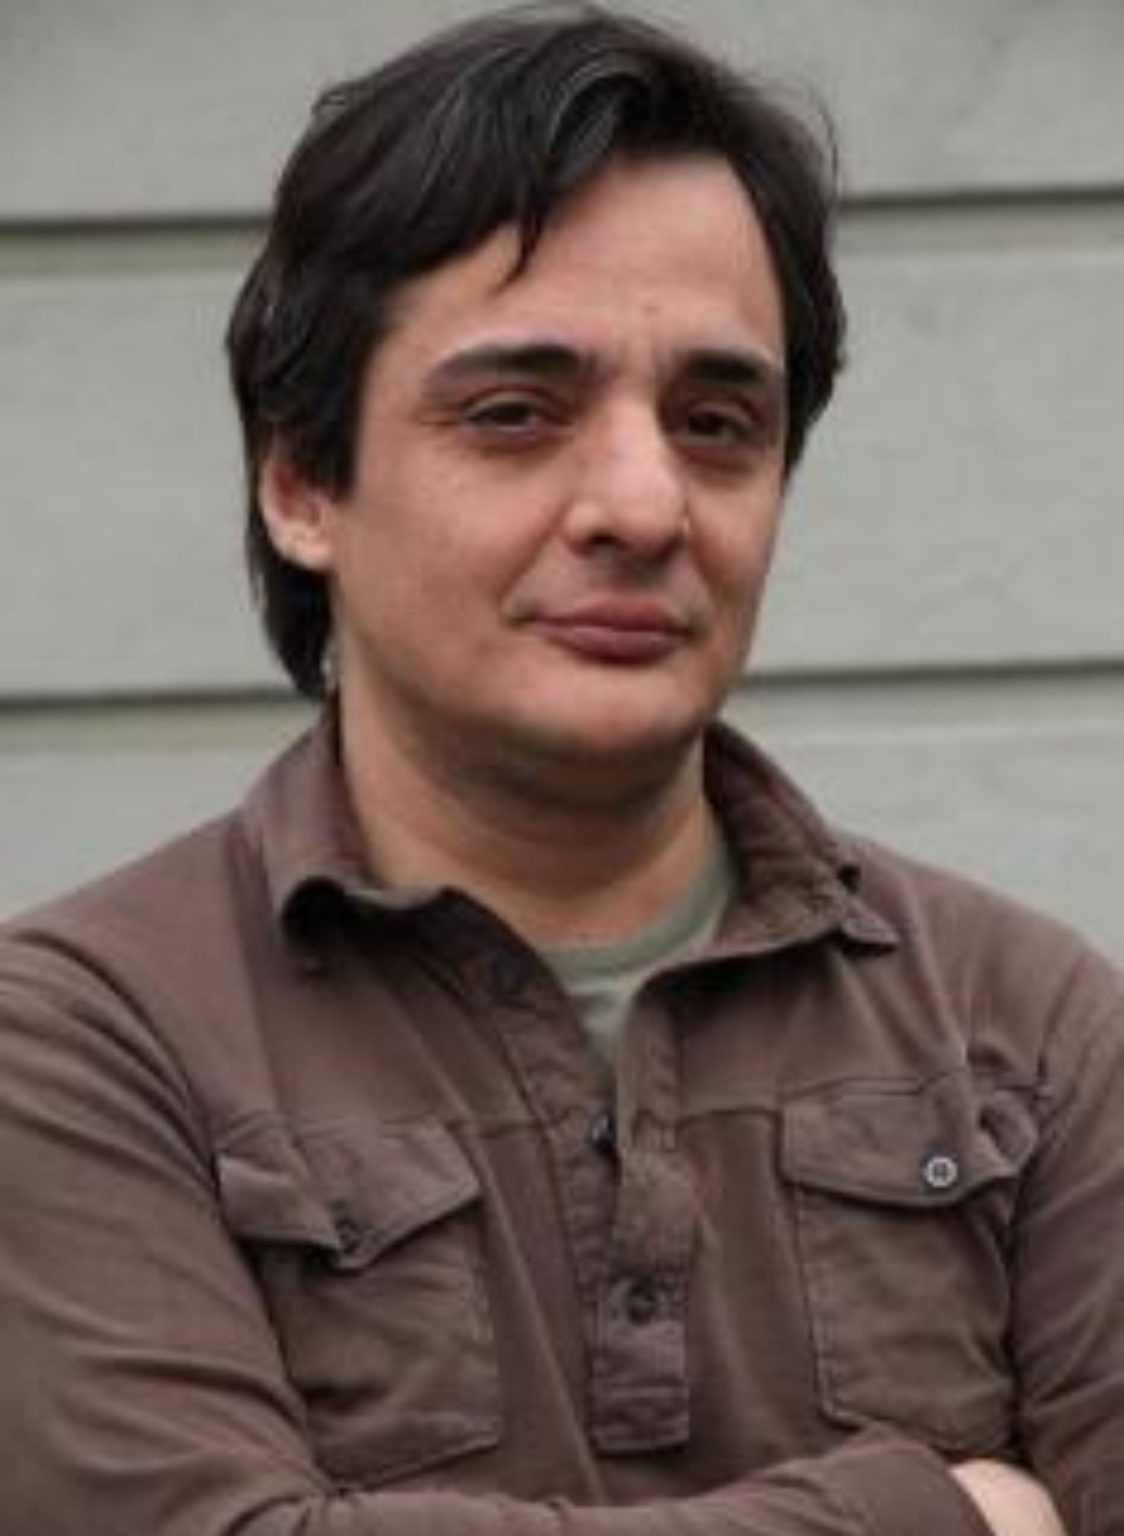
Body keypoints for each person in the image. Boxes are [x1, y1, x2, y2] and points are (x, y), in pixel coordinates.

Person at [0, 6, 1119, 1534]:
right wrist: (940, 1518)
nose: (645, 506)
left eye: (717, 423)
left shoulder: (1028, 1033)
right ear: (303, 482)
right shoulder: (84, 1045)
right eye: (516, 414)